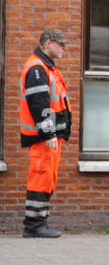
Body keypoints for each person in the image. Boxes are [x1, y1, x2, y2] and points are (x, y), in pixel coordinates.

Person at [18, 29, 73, 238]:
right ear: (48, 43)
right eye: (61, 44)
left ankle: (39, 223)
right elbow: (39, 104)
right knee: (41, 178)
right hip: (44, 138)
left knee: (47, 178)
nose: (64, 49)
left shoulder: (46, 68)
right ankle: (34, 226)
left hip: (49, 137)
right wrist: (49, 134)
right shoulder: (37, 68)